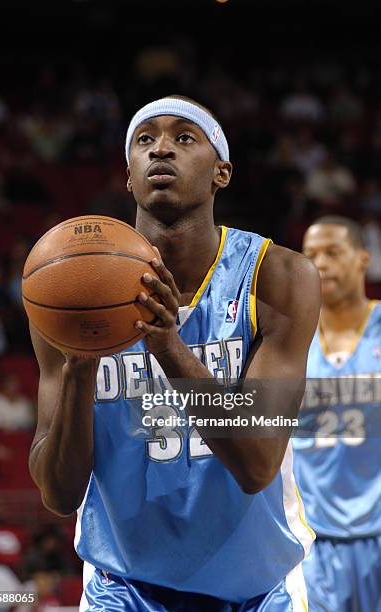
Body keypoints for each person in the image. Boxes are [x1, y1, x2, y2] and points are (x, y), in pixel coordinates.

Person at [28, 95, 320, 611]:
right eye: (145, 139)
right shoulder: (68, 294)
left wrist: (166, 345)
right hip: (123, 588)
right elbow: (58, 493)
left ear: (221, 172)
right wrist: (78, 368)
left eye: (184, 137)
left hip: (258, 590)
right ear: (129, 177)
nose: (160, 149)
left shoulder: (279, 277)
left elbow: (256, 464)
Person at [293, 216, 381, 611]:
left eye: (332, 252)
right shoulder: (288, 338)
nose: (320, 263)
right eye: (310, 255)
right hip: (313, 539)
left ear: (363, 259)